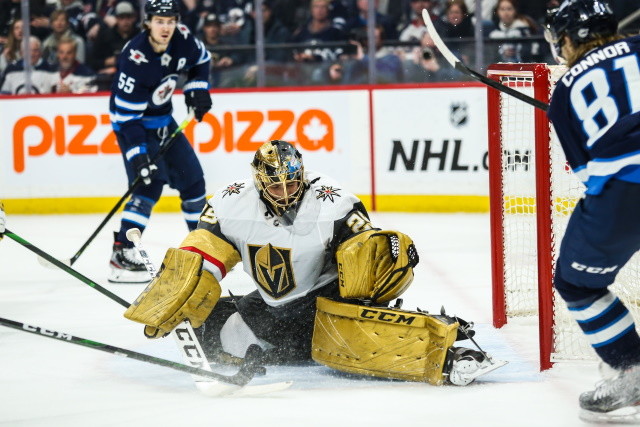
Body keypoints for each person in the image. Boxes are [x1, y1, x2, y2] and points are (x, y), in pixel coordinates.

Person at [122, 139, 504, 386]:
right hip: (271, 310)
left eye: (292, 182)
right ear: (258, 183)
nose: (286, 193)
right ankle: (286, 348)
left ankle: (448, 350)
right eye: (276, 186)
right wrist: (181, 285)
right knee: (206, 331)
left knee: (359, 341)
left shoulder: (334, 201)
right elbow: (202, 254)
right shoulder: (229, 203)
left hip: (323, 307)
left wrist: (381, 259)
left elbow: (367, 250)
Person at [545, 0, 640, 421]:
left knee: (577, 284)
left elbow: (588, 172)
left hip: (624, 192)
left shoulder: (564, 92)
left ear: (569, 39)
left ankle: (632, 370)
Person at [107, 0, 212, 283]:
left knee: (193, 183)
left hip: (164, 121)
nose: (166, 27)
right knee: (148, 185)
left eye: (170, 21)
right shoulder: (135, 59)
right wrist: (138, 156)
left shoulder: (184, 39)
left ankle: (202, 249)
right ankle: (122, 253)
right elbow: (127, 119)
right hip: (134, 126)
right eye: (159, 21)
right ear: (148, 22)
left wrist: (197, 88)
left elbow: (202, 60)